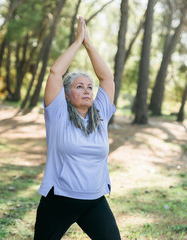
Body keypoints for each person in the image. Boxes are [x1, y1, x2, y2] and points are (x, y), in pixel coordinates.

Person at [33, 16, 121, 240]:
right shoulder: (58, 113)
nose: (87, 91)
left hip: (94, 201)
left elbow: (107, 78)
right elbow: (55, 73)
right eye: (79, 87)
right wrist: (77, 42)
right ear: (66, 94)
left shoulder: (100, 115)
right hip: (59, 200)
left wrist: (89, 45)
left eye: (90, 87)